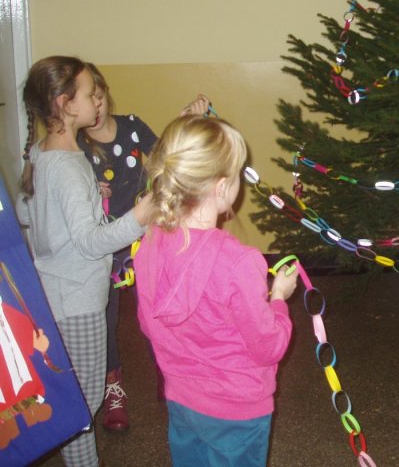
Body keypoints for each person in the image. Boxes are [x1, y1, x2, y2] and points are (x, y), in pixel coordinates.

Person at [134, 115, 298, 467]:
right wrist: (279, 298)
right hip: (238, 410)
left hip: (181, 398)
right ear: (222, 187)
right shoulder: (239, 263)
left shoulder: (149, 244)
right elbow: (268, 346)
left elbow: (150, 326)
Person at [15, 56, 152, 467]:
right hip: (79, 300)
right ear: (65, 104)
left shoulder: (43, 153)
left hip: (54, 292)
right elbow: (93, 243)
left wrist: (90, 200)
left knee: (71, 400)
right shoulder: (70, 166)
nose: (99, 98)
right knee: (82, 405)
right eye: (91, 92)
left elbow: (27, 212)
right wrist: (140, 217)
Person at [78, 63, 209, 432]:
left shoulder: (133, 127)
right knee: (104, 317)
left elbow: (162, 159)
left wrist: (182, 122)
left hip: (149, 242)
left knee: (161, 313)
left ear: (104, 93)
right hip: (105, 247)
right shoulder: (77, 147)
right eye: (89, 100)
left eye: (99, 96)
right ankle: (112, 383)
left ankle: (173, 380)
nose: (97, 107)